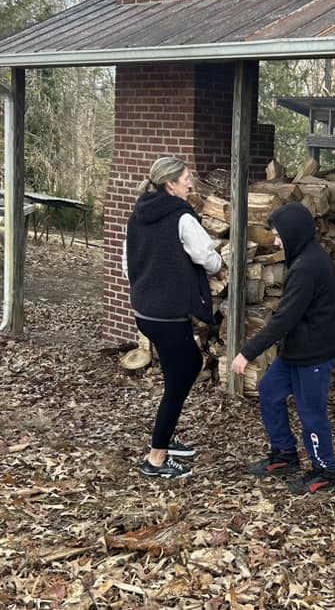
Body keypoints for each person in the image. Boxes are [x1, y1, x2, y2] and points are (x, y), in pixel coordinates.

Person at [233, 202, 335, 495]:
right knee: (270, 390)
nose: (275, 241)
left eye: (278, 235)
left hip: (314, 353)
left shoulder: (308, 265)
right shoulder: (302, 259)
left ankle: (325, 471)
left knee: (311, 413)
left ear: (293, 232)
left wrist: (247, 352)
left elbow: (285, 318)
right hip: (297, 350)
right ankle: (285, 454)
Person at [125, 156, 223, 479]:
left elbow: (127, 264)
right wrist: (219, 264)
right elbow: (205, 256)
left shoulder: (138, 216)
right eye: (186, 179)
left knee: (181, 368)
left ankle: (165, 438)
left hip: (145, 311)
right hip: (168, 314)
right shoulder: (182, 217)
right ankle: (156, 458)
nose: (190, 183)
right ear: (170, 184)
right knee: (184, 373)